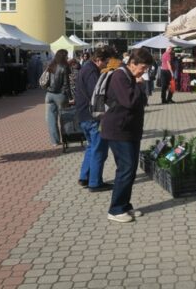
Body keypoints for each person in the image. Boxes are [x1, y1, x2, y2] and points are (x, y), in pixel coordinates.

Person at [102, 48, 154, 223]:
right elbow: (130, 101)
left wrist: (139, 87)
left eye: (146, 69)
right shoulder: (119, 76)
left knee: (130, 170)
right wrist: (139, 86)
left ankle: (124, 205)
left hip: (130, 130)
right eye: (143, 67)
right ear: (132, 63)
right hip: (118, 130)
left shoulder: (130, 76)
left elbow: (142, 100)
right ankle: (115, 209)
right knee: (125, 168)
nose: (144, 71)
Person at [76, 46, 113, 191]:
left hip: (83, 114)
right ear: (98, 60)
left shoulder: (85, 68)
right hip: (93, 116)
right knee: (99, 149)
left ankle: (84, 177)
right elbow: (96, 93)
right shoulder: (91, 70)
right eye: (105, 62)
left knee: (91, 147)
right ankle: (95, 182)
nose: (106, 65)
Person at [44, 49, 73, 147]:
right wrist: (70, 97)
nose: (67, 57)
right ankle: (66, 138)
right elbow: (66, 84)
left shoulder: (50, 65)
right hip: (60, 95)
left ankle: (55, 141)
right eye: (66, 55)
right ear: (64, 56)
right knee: (64, 118)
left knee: (51, 119)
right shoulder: (64, 67)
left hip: (49, 94)